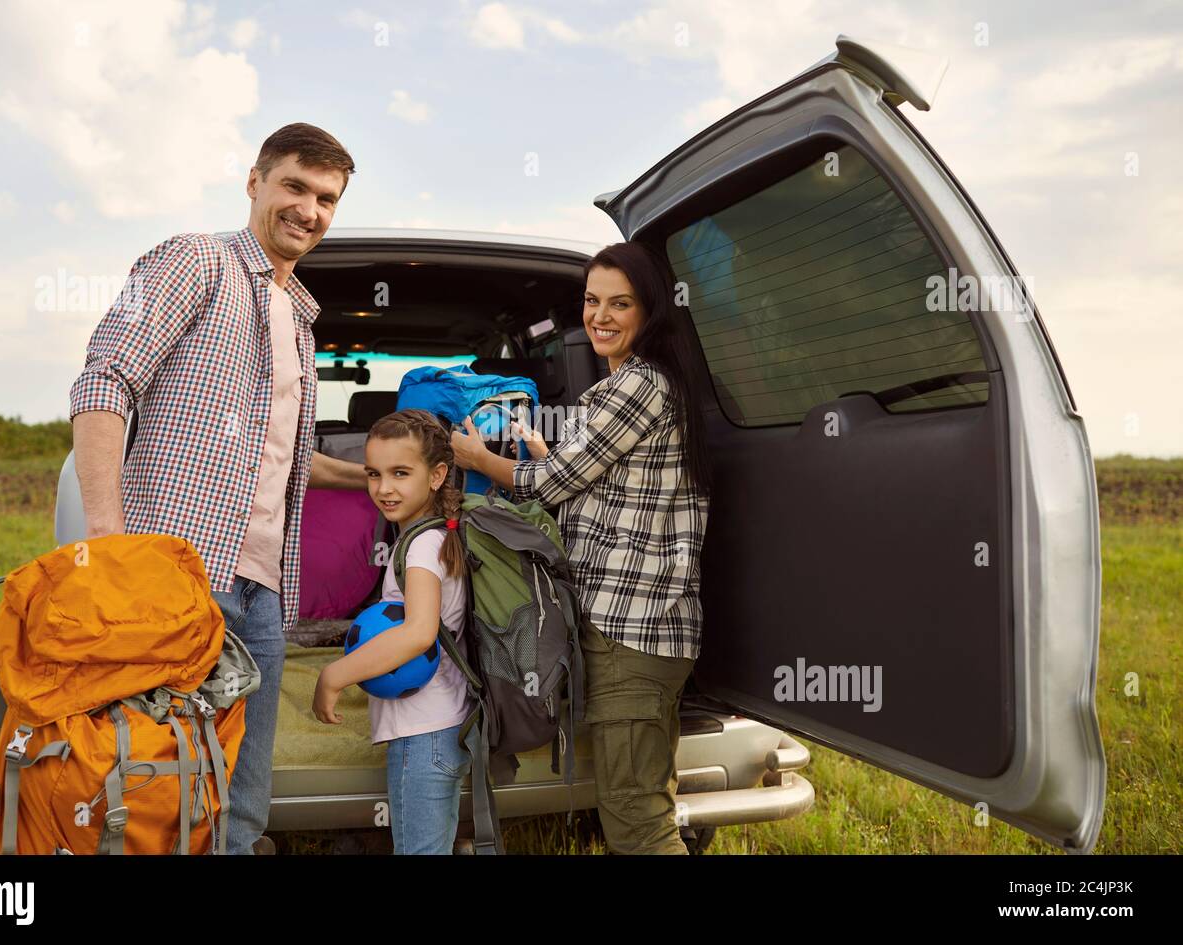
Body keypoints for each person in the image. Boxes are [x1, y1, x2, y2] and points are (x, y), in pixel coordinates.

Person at [69, 123, 370, 855]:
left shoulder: (301, 319)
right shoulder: (193, 259)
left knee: (240, 801)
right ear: (255, 182)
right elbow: (103, 381)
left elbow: (291, 457)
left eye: (326, 198)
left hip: (261, 592)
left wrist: (395, 478)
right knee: (149, 785)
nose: (310, 209)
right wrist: (107, 543)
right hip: (174, 572)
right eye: (295, 186)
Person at [450, 241, 713, 854]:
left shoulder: (638, 384)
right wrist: (545, 454)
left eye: (621, 303)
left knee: (637, 820)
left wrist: (477, 459)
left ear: (651, 312)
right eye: (592, 301)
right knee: (646, 801)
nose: (601, 316)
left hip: (631, 634)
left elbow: (554, 484)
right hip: (651, 632)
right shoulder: (645, 384)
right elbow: (590, 484)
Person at [311, 409, 476, 855]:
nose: (384, 488)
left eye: (400, 473)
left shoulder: (422, 545)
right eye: (373, 474)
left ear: (438, 474)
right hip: (441, 727)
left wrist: (334, 676)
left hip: (422, 734)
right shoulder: (436, 535)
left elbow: (419, 633)